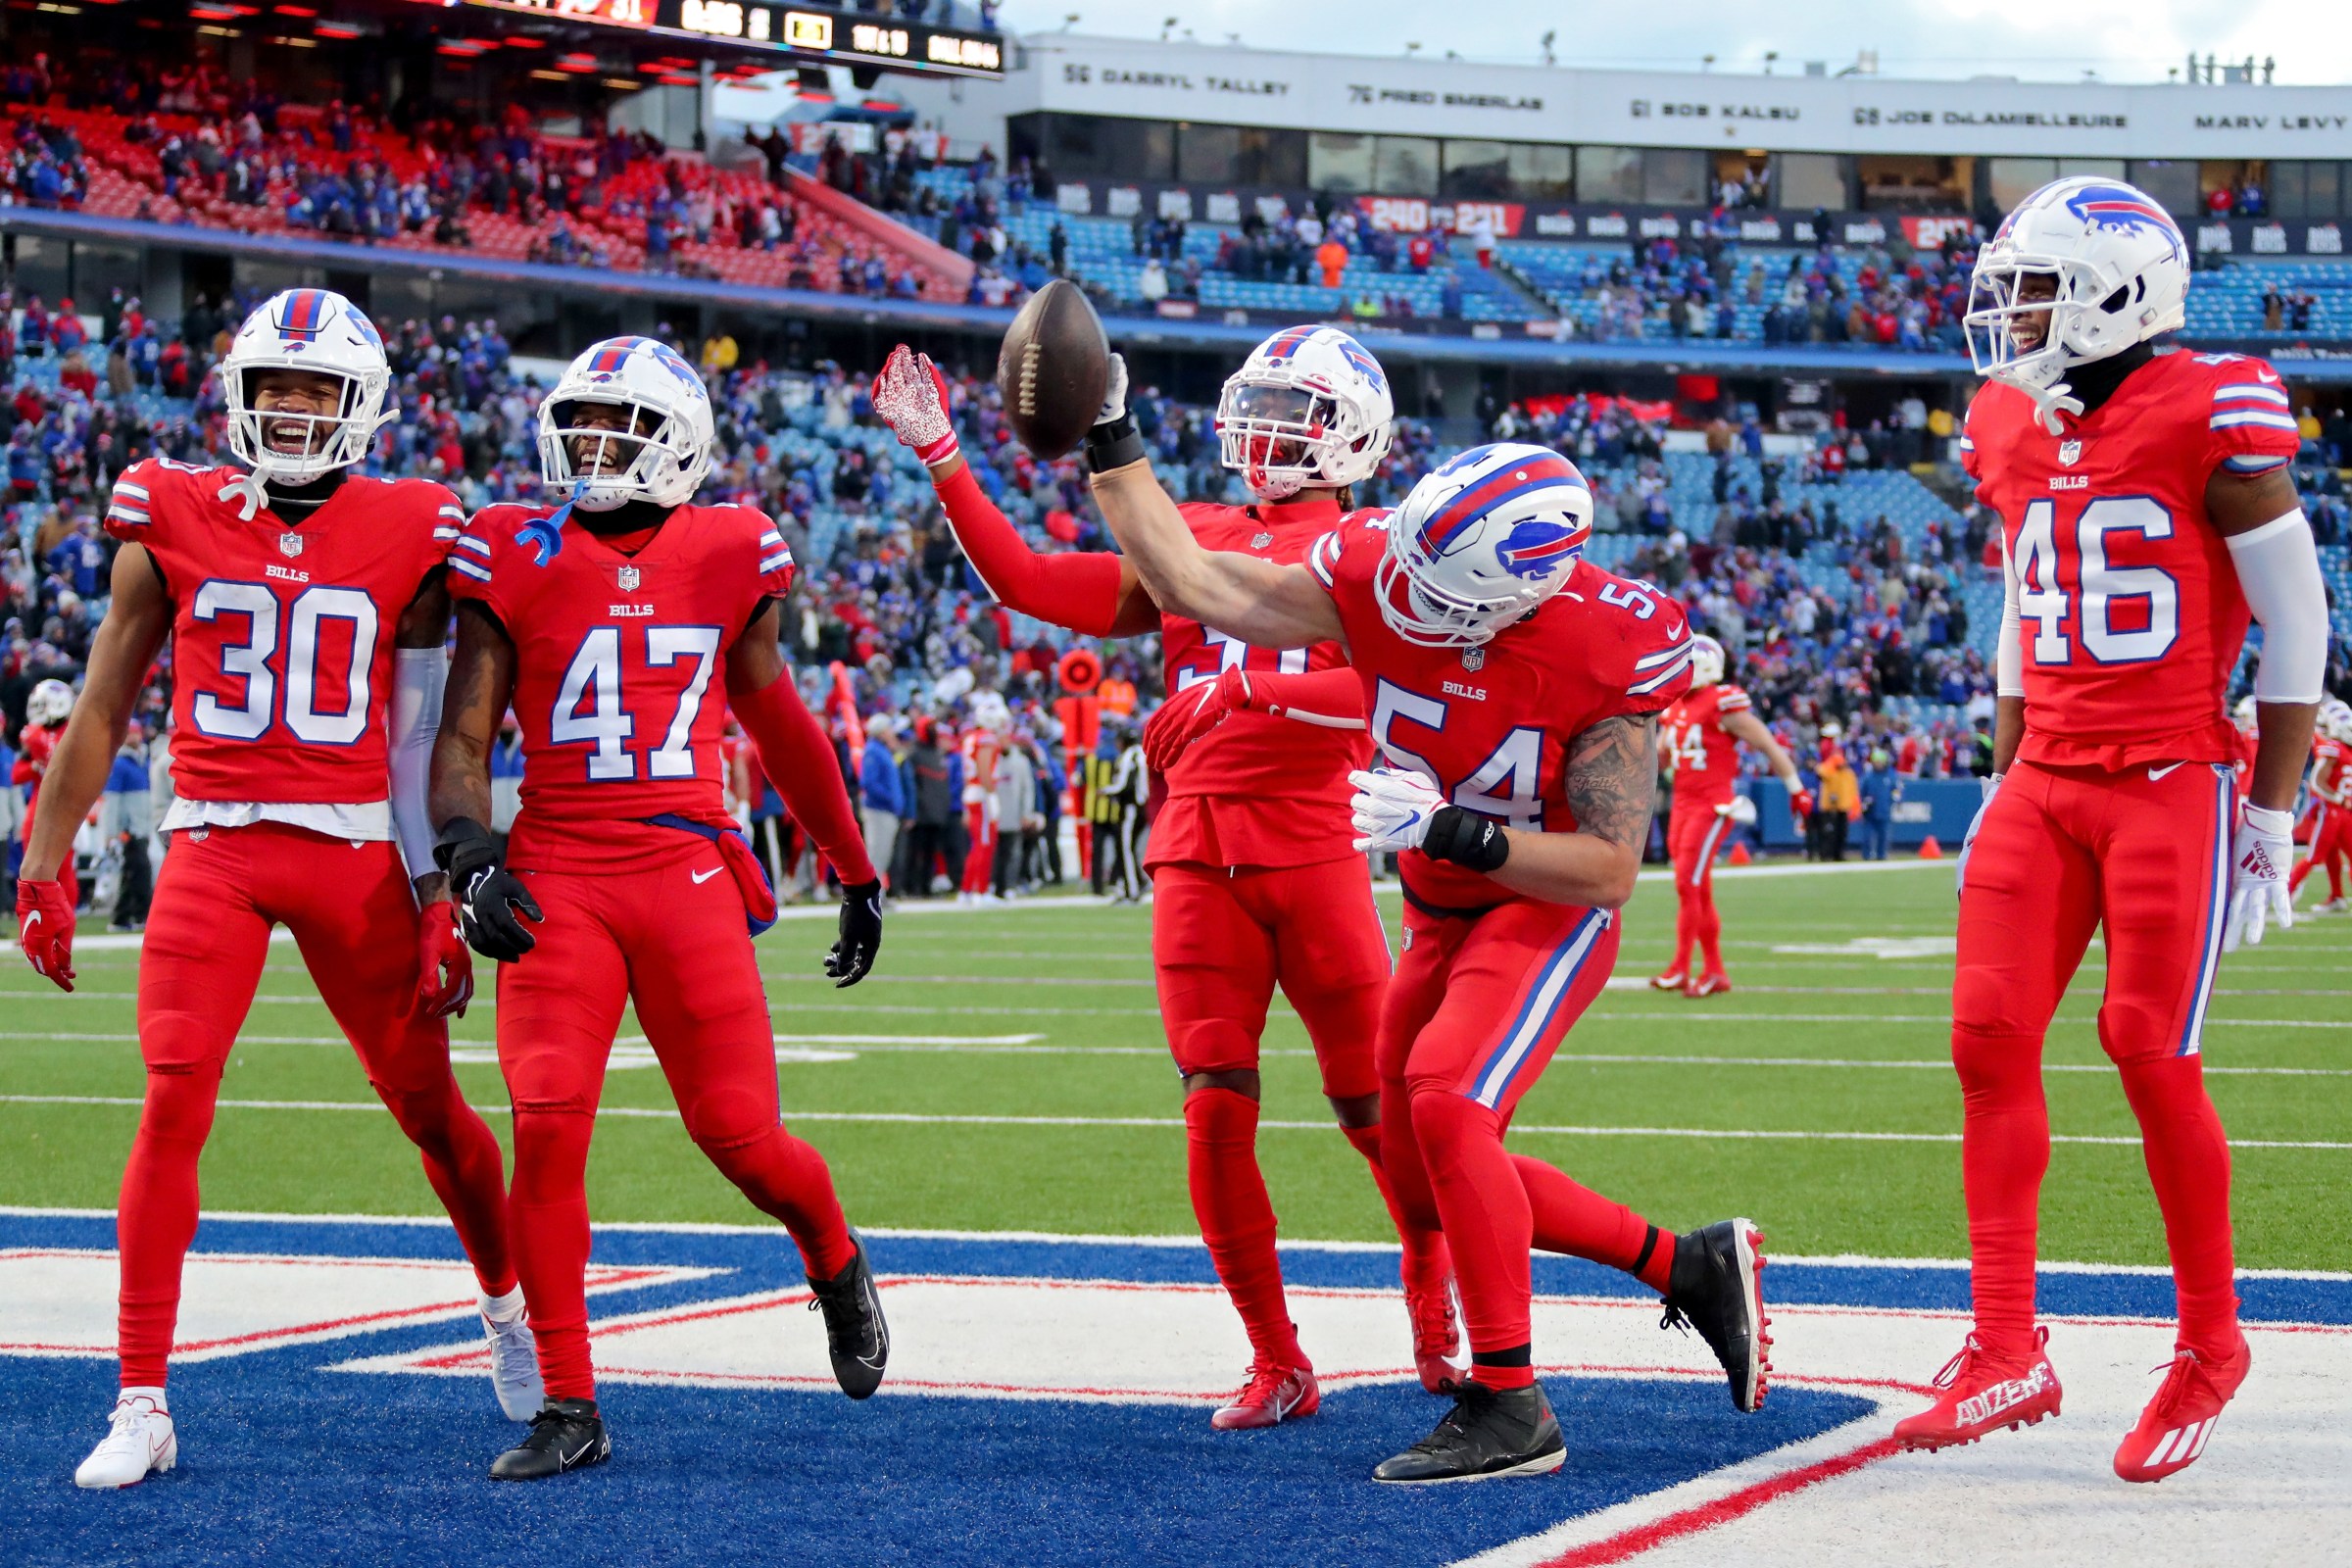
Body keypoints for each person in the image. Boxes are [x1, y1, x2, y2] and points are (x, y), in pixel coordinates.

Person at [1089, 420, 1770, 1484]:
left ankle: (1511, 1402)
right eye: (1404, 568)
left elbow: (1601, 867)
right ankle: (1686, 1264)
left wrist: (1455, 831)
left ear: (1523, 594)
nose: (1404, 603)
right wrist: (1108, 432)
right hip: (1435, 906)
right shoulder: (1377, 568)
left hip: (1539, 904)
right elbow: (1190, 580)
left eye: (1439, 594)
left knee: (1450, 1105)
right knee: (1420, 1158)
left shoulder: (1605, 641)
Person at [871, 327, 1464, 1429]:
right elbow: (1032, 580)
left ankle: (1434, 1297)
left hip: (1320, 846)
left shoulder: (1382, 543)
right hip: (1196, 848)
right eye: (1261, 403)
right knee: (1212, 1109)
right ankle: (1276, 1355)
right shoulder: (1184, 525)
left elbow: (1397, 690)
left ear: (1354, 435)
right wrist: (944, 453)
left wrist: (1251, 695)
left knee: (1378, 1111)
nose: (1266, 429)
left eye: (1296, 408)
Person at [15, 288, 532, 1491]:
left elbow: (413, 742)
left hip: (353, 847)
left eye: (315, 390)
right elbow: (101, 705)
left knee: (429, 1115)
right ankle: (142, 1396)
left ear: (361, 406)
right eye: (274, 389)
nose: (291, 410)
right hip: (214, 841)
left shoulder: (414, 524)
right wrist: (44, 860)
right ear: (238, 397)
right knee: (173, 1093)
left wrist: (432, 893)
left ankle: (506, 1306)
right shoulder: (173, 505)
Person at [1900, 175, 2327, 1483]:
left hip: (2168, 778)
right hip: (2050, 774)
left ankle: (2210, 1343)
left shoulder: (2215, 408)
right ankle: (2006, 1344)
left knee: (2147, 1045)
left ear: (2114, 295)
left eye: (2031, 290)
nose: (2009, 317)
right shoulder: (2004, 419)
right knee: (1983, 1034)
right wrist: (2000, 775)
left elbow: (2298, 624)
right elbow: (2028, 613)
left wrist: (2271, 808)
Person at [428, 334, 890, 1482]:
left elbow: (778, 721)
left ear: (678, 440)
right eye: (578, 427)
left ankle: (833, 1257)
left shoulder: (733, 547)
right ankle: (570, 1400)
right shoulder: (511, 548)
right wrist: (470, 855)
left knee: (739, 1138)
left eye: (617, 430)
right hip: (561, 871)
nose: (591, 450)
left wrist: (851, 862)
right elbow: (464, 736)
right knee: (546, 1119)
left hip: (684, 868)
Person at [1651, 634, 1811, 996]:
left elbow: (1768, 744)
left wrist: (1796, 790)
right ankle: (1715, 972)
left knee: (1686, 884)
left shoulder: (1722, 702)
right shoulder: (1676, 706)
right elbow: (1660, 759)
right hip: (1682, 803)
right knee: (1697, 888)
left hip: (1713, 805)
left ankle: (1680, 966)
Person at [2288, 697, 2351, 911]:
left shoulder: (2340, 748)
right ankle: (2287, 892)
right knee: (2316, 855)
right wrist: (2337, 799)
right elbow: (2317, 780)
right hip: (2331, 808)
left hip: (2342, 811)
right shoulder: (2331, 746)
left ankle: (2337, 896)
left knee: (2335, 854)